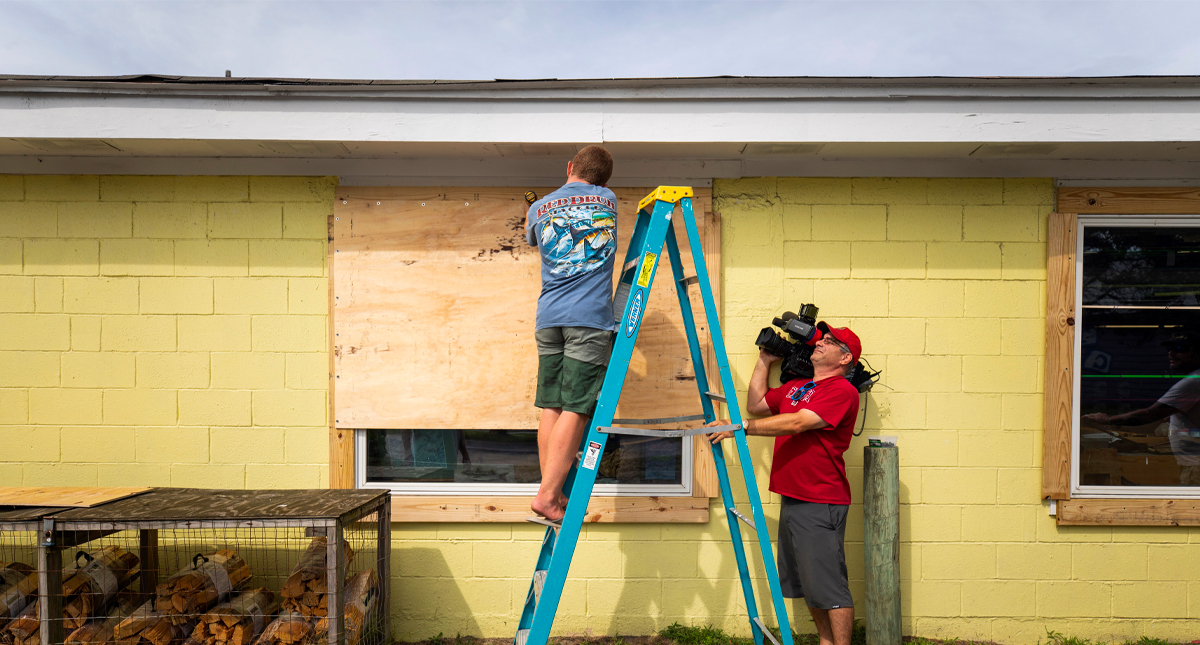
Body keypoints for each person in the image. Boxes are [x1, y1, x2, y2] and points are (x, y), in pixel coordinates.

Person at [707, 324, 863, 645]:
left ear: (845, 358)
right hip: (793, 496)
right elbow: (756, 404)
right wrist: (765, 359)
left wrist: (741, 427)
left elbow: (798, 422)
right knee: (809, 583)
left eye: (830, 342)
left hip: (820, 500)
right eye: (821, 339)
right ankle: (826, 641)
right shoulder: (798, 387)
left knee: (830, 587)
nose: (820, 343)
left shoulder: (841, 391)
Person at [524, 145, 618, 521]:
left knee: (552, 405)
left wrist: (540, 212)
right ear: (604, 180)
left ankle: (551, 492)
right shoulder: (608, 200)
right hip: (588, 319)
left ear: (569, 167)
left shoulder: (539, 206)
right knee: (577, 407)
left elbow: (533, 239)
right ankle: (548, 496)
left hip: (548, 318)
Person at [1082, 328, 1200, 485]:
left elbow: (1148, 415)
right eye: (1169, 348)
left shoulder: (1193, 382)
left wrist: (1108, 420)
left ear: (1196, 353)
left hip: (1194, 466)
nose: (1171, 353)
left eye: (1179, 348)